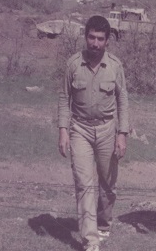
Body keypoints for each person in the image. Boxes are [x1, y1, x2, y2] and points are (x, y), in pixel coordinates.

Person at [58, 15, 129, 251]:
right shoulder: (73, 64)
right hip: (80, 129)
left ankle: (104, 222)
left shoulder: (115, 66)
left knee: (108, 184)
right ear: (85, 37)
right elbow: (64, 98)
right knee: (84, 184)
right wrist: (63, 130)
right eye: (91, 37)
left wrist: (122, 134)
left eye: (100, 39)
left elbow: (123, 100)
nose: (95, 43)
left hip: (107, 129)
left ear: (107, 41)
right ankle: (90, 240)